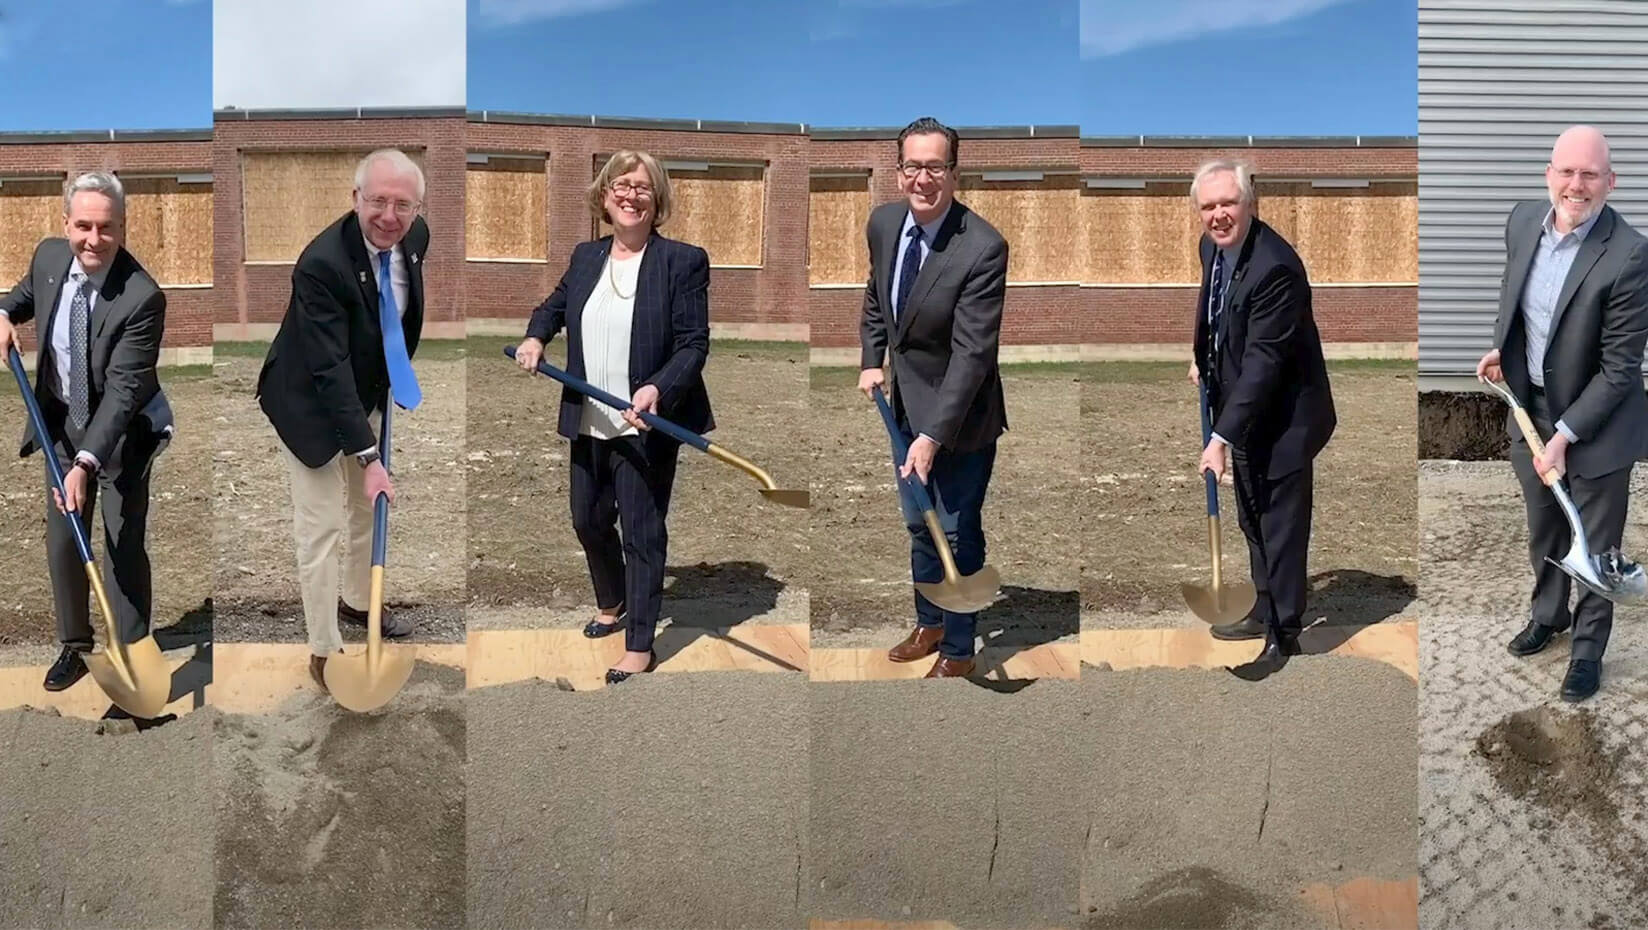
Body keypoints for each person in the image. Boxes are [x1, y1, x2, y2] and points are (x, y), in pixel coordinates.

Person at [513, 149, 711, 685]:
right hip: (589, 417)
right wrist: (536, 335)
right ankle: (613, 599)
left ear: (658, 200)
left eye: (643, 187)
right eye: (621, 185)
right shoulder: (585, 257)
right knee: (588, 518)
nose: (631, 194)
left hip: (645, 422)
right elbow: (555, 305)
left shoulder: (682, 261)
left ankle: (640, 641)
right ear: (604, 196)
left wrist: (657, 390)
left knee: (642, 534)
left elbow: (694, 344)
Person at [1475, 125, 1648, 702]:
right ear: (1550, 174)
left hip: (1597, 424)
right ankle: (1550, 615)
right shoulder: (1523, 221)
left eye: (1590, 175)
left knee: (1595, 545)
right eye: (1567, 172)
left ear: (1610, 182)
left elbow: (1620, 368)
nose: (1577, 186)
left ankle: (1588, 651)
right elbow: (1518, 299)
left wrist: (1566, 436)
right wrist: (1506, 349)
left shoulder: (1628, 254)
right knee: (1545, 526)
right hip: (1533, 412)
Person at [256, 149, 428, 691]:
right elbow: (327, 368)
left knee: (365, 508)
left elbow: (391, 320)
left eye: (403, 204)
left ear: (417, 208)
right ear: (355, 198)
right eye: (377, 200)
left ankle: (358, 604)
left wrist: (390, 384)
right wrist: (370, 455)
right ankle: (324, 649)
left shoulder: (414, 241)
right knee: (323, 526)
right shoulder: (321, 263)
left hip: (365, 393)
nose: (389, 216)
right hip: (307, 402)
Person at [0, 171, 172, 692]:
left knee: (121, 545)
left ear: (122, 226)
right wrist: (4, 312)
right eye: (83, 226)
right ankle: (74, 647)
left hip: (122, 436)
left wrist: (85, 464)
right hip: (61, 423)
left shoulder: (142, 297)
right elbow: (23, 297)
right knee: (63, 543)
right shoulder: (50, 258)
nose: (93, 239)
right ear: (66, 223)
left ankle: (131, 655)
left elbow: (122, 393)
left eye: (106, 227)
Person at [858, 116, 1008, 679]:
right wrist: (872, 358)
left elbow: (973, 356)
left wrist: (932, 437)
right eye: (914, 166)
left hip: (960, 417)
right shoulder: (884, 224)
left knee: (955, 526)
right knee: (918, 522)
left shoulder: (982, 247)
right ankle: (931, 620)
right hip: (902, 405)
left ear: (954, 172)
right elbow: (877, 297)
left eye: (936, 167)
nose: (924, 178)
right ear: (899, 172)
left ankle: (961, 649)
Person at [1188, 158, 1336, 670]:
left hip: (1286, 416)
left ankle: (1285, 630)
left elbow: (1264, 361)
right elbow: (1218, 311)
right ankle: (1263, 604)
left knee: (1281, 524)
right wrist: (1202, 359)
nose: (1219, 215)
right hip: (1244, 408)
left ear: (1250, 204)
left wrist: (1221, 436)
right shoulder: (1213, 247)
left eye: (1229, 203)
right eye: (1208, 206)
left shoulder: (1276, 266)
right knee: (1252, 516)